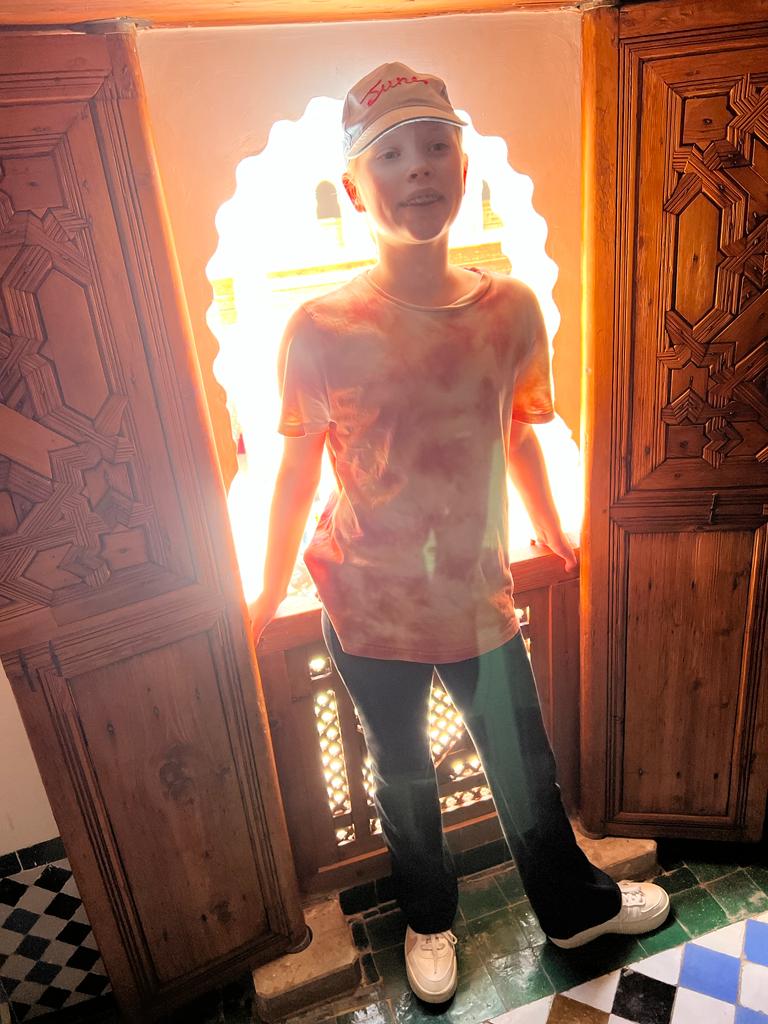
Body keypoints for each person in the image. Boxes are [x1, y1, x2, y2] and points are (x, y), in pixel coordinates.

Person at [249, 61, 670, 1004]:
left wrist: (556, 533)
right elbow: (295, 473)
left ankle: (574, 909)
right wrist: (265, 596)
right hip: (366, 607)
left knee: (525, 769)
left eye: (436, 146)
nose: (419, 168)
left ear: (464, 166)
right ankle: (429, 919)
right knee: (402, 779)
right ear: (355, 187)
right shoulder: (319, 329)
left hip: (478, 601)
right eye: (391, 154)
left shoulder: (511, 309)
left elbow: (516, 432)